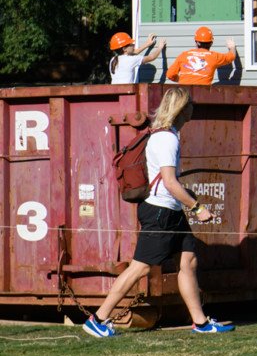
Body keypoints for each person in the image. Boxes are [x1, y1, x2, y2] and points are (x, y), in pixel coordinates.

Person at [83, 88, 235, 337]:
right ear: (181, 109)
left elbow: (169, 181)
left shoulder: (167, 134)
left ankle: (201, 323)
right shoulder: (167, 139)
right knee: (139, 268)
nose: (193, 108)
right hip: (160, 212)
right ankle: (98, 319)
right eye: (191, 104)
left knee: (188, 261)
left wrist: (185, 198)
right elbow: (169, 182)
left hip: (171, 210)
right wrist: (196, 207)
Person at [165, 27, 237, 85]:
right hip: (202, 97)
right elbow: (232, 56)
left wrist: (181, 80)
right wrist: (232, 47)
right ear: (211, 43)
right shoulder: (214, 57)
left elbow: (170, 75)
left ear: (196, 42)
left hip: (183, 95)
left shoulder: (184, 55)